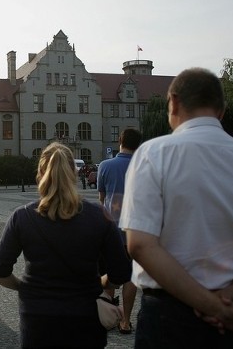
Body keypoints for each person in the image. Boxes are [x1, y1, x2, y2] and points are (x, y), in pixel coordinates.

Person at [120, 68, 233, 348]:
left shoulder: (153, 154)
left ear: (174, 102)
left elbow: (141, 245)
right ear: (221, 110)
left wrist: (213, 306)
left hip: (171, 315)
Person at [0, 142, 132, 348]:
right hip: (85, 318)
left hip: (38, 319)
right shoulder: (99, 217)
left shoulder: (22, 217)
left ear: (40, 173)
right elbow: (120, 273)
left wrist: (26, 287)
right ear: (74, 174)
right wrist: (99, 283)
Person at [97, 127, 142, 334]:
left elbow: (102, 200)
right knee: (131, 276)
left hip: (110, 230)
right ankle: (125, 321)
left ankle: (109, 315)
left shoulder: (105, 165)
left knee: (110, 272)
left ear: (120, 142)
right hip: (135, 230)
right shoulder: (144, 165)